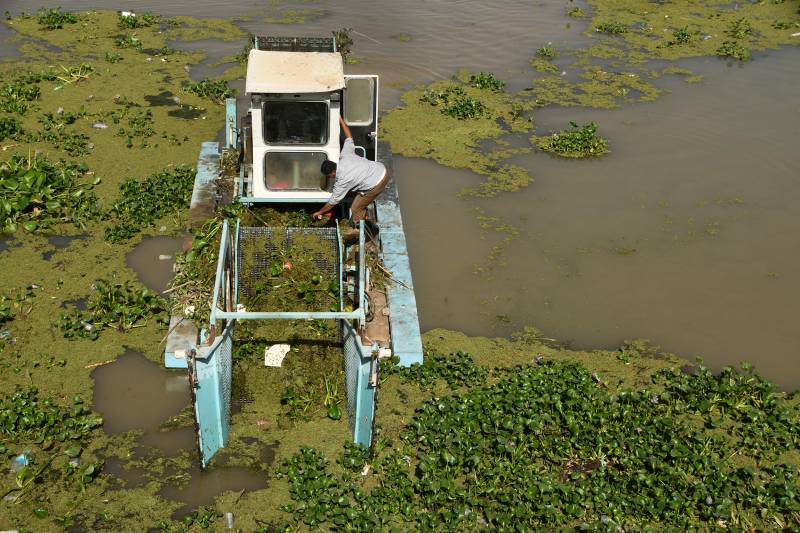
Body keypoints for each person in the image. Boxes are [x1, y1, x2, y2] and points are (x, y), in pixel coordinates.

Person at [312, 116, 389, 223]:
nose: (330, 178)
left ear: (332, 173)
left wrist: (319, 212)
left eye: (329, 176)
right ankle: (362, 217)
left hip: (376, 183)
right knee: (354, 193)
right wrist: (341, 121)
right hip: (381, 168)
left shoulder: (342, 181)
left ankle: (362, 233)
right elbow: (349, 137)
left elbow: (333, 202)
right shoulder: (345, 156)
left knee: (355, 208)